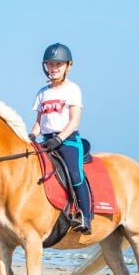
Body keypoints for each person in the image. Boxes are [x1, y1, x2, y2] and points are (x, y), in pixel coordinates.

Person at [29, 43, 92, 234]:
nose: (53, 68)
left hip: (68, 140)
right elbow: (39, 123)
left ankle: (85, 216)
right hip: (46, 141)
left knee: (74, 174)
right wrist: (31, 136)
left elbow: (74, 121)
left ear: (68, 66)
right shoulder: (42, 92)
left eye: (58, 64)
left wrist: (59, 139)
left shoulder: (73, 89)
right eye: (50, 64)